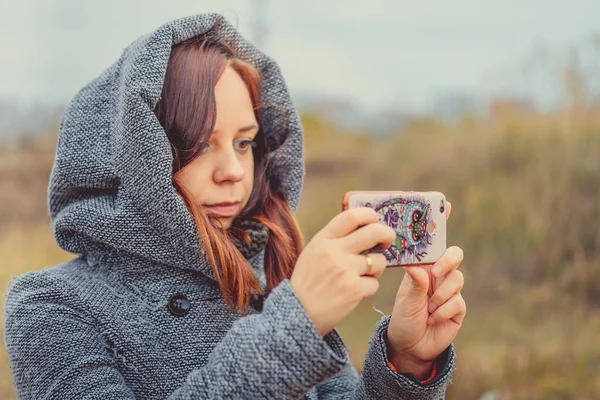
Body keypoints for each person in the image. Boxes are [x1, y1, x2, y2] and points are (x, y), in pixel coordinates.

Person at [3, 13, 466, 399]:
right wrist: (293, 327)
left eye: (244, 143)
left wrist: (406, 363)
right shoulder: (50, 306)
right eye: (201, 145)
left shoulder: (269, 277)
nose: (234, 171)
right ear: (134, 153)